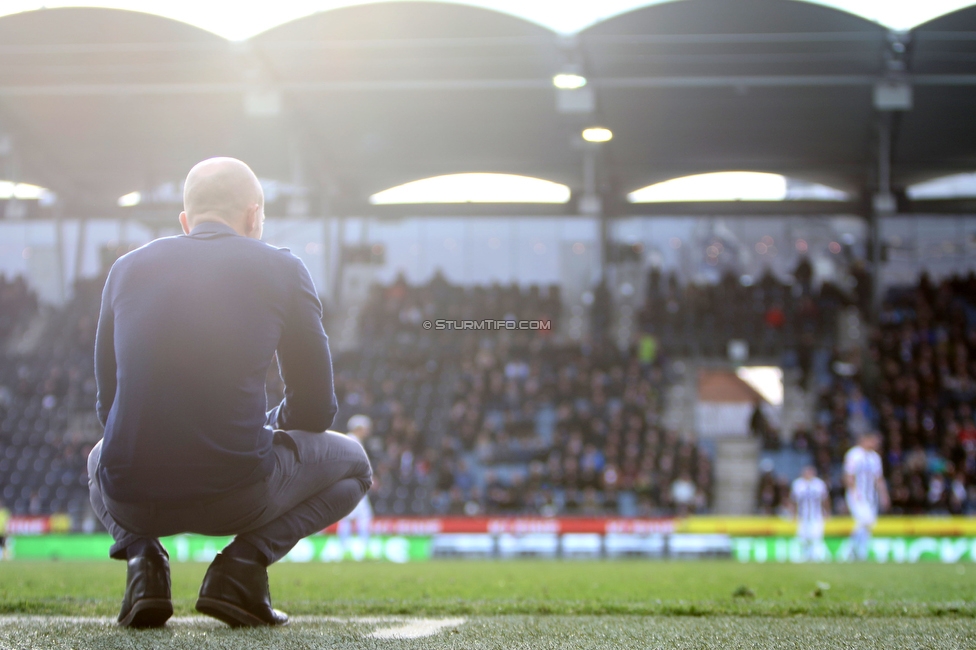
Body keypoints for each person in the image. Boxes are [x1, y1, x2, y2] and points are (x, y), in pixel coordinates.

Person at [87, 158, 372, 628]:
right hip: (237, 492)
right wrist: (267, 425)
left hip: (133, 497)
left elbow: (108, 408)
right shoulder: (282, 268)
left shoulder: (124, 270)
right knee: (356, 466)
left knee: (99, 456)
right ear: (254, 215)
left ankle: (144, 566)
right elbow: (317, 409)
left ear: (186, 220)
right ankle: (242, 567)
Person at [843, 432, 888, 561]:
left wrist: (884, 495)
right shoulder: (853, 454)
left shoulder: (875, 458)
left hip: (871, 497)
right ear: (865, 440)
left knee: (867, 525)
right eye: (874, 441)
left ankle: (858, 552)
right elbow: (848, 475)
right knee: (865, 521)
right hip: (857, 495)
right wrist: (853, 492)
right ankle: (850, 550)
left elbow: (878, 479)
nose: (876, 444)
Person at [336, 415, 374, 558]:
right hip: (355, 485)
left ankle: (345, 549)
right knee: (361, 516)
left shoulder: (350, 440)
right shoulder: (353, 441)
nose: (367, 431)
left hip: (350, 484)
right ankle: (362, 550)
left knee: (347, 517)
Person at [788, 465, 829, 562]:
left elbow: (825, 499)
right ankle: (804, 556)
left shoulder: (819, 484)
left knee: (816, 536)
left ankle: (816, 556)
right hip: (803, 516)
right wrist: (793, 513)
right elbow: (793, 500)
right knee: (803, 537)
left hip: (816, 515)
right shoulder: (798, 484)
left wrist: (827, 511)